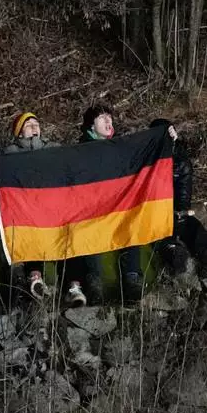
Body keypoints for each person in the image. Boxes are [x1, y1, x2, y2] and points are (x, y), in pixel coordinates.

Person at [72, 103, 144, 305]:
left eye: (109, 117)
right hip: (93, 210)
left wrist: (167, 137)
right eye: (102, 118)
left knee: (131, 225)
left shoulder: (121, 148)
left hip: (119, 208)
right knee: (88, 230)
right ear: (90, 126)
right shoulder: (80, 150)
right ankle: (94, 283)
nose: (108, 120)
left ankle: (131, 280)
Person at [149, 118, 207, 276]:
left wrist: (180, 215)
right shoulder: (145, 160)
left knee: (188, 223)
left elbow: (183, 197)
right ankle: (172, 253)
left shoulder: (181, 162)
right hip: (151, 211)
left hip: (172, 210)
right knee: (160, 229)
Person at [3, 111, 56, 300]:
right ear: (19, 133)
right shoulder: (10, 154)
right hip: (24, 208)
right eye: (28, 125)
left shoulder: (54, 149)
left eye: (36, 123)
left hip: (50, 206)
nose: (34, 127)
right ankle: (33, 277)